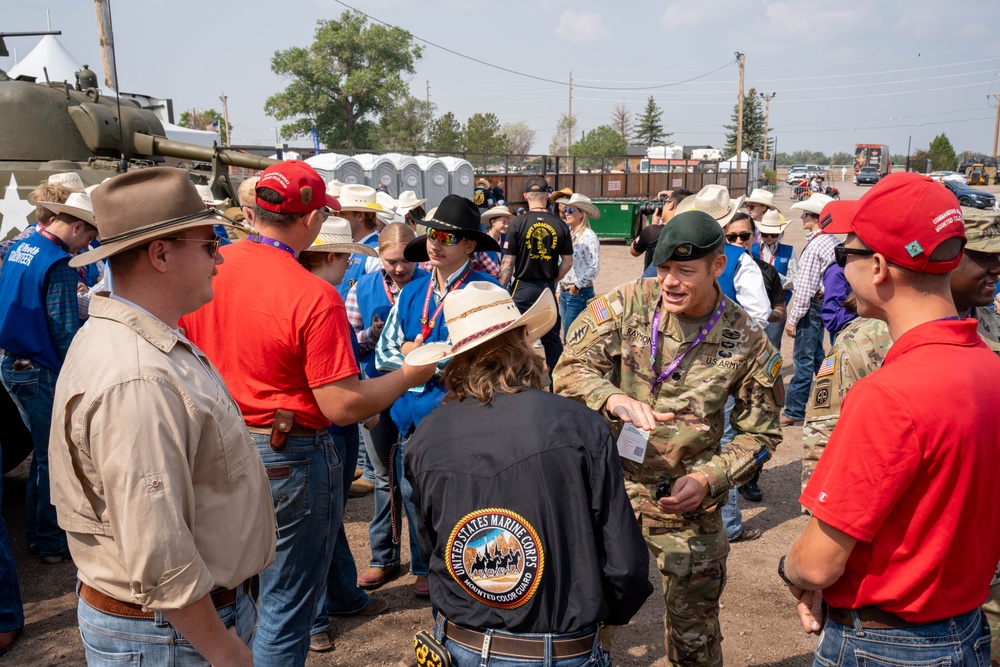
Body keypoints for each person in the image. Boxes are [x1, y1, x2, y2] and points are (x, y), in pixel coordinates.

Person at [178, 160, 435, 667]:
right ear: (314, 219)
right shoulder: (312, 293)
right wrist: (410, 374)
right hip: (287, 451)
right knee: (285, 606)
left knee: (239, 595)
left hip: (216, 441)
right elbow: (341, 405)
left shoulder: (214, 267)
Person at [48, 167, 276, 665]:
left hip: (171, 626)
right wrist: (224, 650)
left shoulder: (138, 340)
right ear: (160, 253)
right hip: (170, 634)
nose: (218, 258)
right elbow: (161, 552)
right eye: (208, 243)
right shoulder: (138, 376)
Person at [782, 173, 1000, 667]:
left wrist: (791, 565)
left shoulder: (889, 393)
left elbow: (817, 564)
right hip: (966, 627)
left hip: (887, 644)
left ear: (878, 267)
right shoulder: (989, 367)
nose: (843, 270)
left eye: (847, 257)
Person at [553, 211, 783, 666]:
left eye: (685, 271)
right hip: (607, 493)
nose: (670, 283)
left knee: (693, 634)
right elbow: (569, 368)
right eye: (663, 269)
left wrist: (709, 478)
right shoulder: (628, 304)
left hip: (685, 504)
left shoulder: (748, 341)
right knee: (583, 622)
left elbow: (760, 434)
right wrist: (612, 397)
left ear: (718, 266)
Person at [403, 281, 653, 667]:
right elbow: (625, 564)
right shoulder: (581, 426)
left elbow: (432, 544)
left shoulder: (425, 437)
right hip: (558, 648)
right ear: (523, 338)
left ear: (456, 358)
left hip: (461, 642)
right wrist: (603, 616)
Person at [375, 195, 501, 597]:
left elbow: (486, 358)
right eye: (432, 233)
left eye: (446, 235)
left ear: (469, 245)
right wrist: (436, 357)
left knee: (462, 498)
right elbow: (384, 352)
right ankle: (426, 567)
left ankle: (462, 570)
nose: (435, 242)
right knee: (412, 494)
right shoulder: (413, 290)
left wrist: (420, 354)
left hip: (463, 418)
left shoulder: (487, 290)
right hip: (412, 421)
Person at [294, 218, 390, 652]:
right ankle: (314, 619)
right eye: (347, 255)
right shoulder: (322, 298)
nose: (351, 262)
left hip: (321, 420)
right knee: (316, 524)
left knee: (328, 519)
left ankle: (343, 597)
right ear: (331, 257)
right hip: (327, 423)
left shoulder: (301, 290)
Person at [0, 191, 98, 565]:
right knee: (51, 457)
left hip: (13, 362)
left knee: (42, 455)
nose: (87, 246)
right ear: (76, 227)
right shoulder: (58, 262)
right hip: (38, 368)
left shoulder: (22, 247)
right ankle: (50, 540)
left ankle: (41, 537)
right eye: (88, 238)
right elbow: (64, 329)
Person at [345, 223, 430, 597]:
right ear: (378, 256)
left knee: (416, 482)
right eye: (392, 261)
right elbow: (348, 345)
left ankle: (424, 563)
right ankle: (383, 557)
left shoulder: (431, 286)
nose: (400, 268)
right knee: (384, 479)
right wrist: (371, 337)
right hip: (377, 392)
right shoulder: (359, 290)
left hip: (420, 394)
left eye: (406, 260)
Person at [721, 212, 785, 509]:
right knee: (725, 437)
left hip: (755, 365)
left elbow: (775, 311)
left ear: (753, 237)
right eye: (731, 237)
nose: (737, 242)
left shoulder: (765, 271)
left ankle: (751, 481)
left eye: (743, 236)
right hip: (728, 366)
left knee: (754, 430)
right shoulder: (717, 263)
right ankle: (730, 516)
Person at [499, 177, 574, 379]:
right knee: (551, 338)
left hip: (522, 287)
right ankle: (558, 383)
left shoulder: (517, 223)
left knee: (513, 337)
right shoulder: (560, 224)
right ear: (547, 197)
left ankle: (512, 379)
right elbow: (567, 262)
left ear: (525, 197)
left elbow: (508, 263)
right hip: (547, 288)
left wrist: (500, 291)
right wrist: (553, 279)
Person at [781, 193, 836, 425]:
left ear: (815, 217)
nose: (803, 217)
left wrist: (793, 318)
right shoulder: (831, 240)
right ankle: (830, 399)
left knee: (803, 358)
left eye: (806, 214)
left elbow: (805, 288)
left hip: (812, 304)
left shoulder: (815, 246)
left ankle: (794, 409)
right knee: (816, 356)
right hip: (823, 302)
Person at [752, 208, 798, 350]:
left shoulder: (788, 251)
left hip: (777, 304)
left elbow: (796, 279)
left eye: (774, 234)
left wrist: (777, 279)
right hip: (754, 301)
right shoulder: (752, 249)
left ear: (781, 233)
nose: (770, 237)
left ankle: (772, 371)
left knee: (773, 342)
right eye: (766, 234)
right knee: (753, 341)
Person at [558, 194, 602, 335]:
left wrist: (577, 285)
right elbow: (562, 262)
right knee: (569, 335)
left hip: (578, 292)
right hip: (567, 290)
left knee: (573, 336)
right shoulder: (568, 234)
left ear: (581, 214)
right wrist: (559, 287)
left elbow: (594, 265)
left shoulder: (588, 236)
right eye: (566, 210)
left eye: (571, 210)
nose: (566, 213)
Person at [336, 183, 385, 299]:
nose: (338, 217)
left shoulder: (376, 252)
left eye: (342, 213)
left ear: (360, 216)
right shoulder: (350, 245)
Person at [630, 189, 691, 270]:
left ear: (671, 205)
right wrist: (677, 196)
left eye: (665, 203)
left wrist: (652, 226)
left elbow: (633, 251)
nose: (662, 206)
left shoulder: (652, 232)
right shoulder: (694, 232)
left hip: (656, 281)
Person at [476, 205, 511, 280]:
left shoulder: (506, 239)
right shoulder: (483, 242)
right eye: (504, 222)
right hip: (488, 284)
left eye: (508, 223)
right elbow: (495, 273)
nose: (506, 226)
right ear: (493, 222)